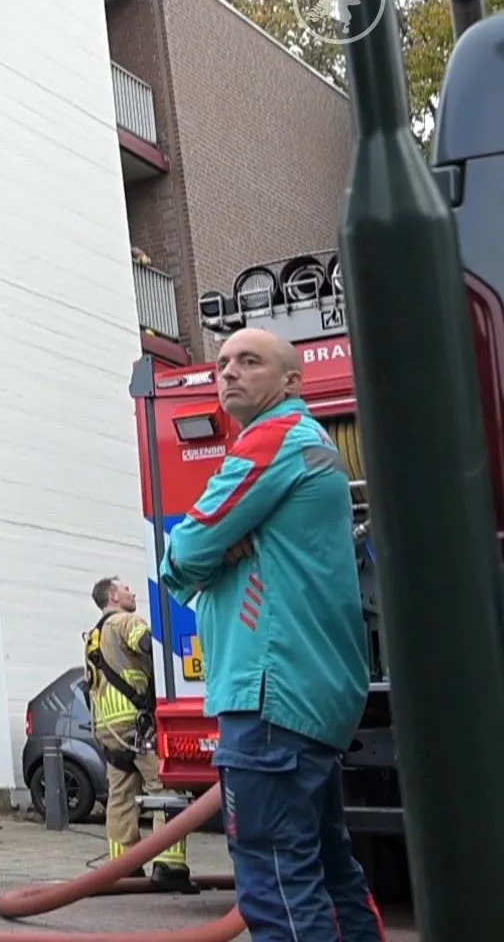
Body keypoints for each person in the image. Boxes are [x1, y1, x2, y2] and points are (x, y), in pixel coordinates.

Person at [158, 327, 383, 942]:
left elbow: (183, 552)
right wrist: (215, 551)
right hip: (311, 693)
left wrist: (202, 555)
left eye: (249, 361)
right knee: (331, 871)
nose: (227, 372)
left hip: (268, 694)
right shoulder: (311, 445)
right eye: (223, 361)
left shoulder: (272, 441)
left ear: (291, 381)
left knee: (277, 883)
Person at [84, 576, 194, 891]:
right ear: (113, 595)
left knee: (120, 797)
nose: (132, 591)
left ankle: (124, 867)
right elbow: (150, 646)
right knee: (167, 788)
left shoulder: (94, 634)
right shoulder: (125, 621)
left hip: (109, 727)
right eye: (126, 587)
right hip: (136, 723)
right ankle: (169, 866)